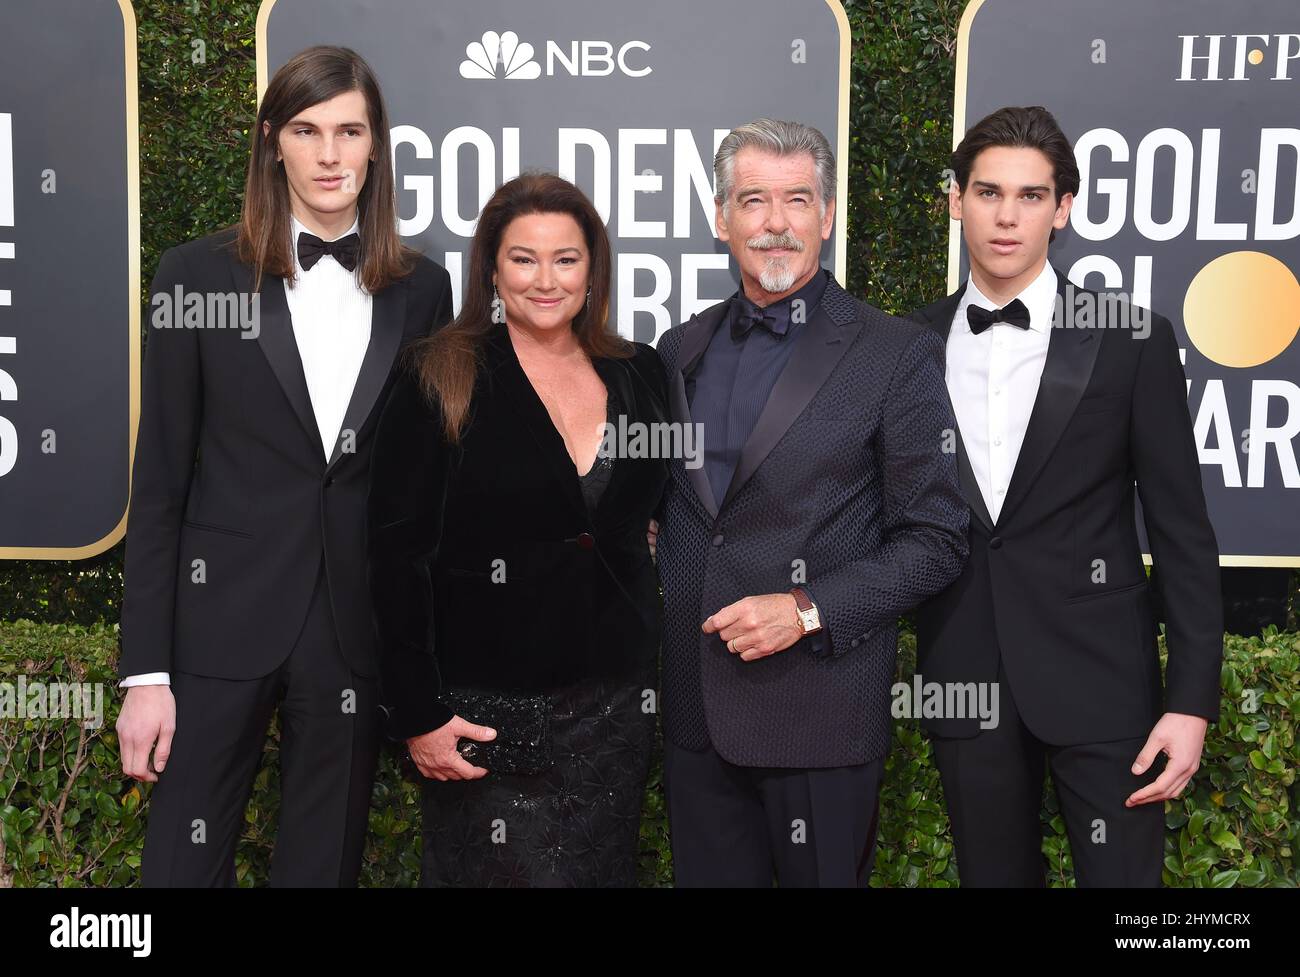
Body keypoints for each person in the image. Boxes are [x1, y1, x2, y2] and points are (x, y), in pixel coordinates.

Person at [115, 45, 453, 886]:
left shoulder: (425, 289)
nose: (331, 154)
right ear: (273, 142)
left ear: (376, 146)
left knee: (321, 866)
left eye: (350, 131)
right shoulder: (193, 274)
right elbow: (159, 485)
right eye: (308, 130)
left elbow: (427, 492)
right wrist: (145, 672)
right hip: (218, 619)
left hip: (351, 628)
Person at [910, 105, 1223, 887]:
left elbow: (1184, 533)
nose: (1007, 216)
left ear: (1064, 208)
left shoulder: (1131, 339)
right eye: (987, 192)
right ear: (956, 201)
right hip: (966, 674)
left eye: (1030, 195)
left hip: (1103, 682)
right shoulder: (906, 346)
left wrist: (1191, 702)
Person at [654, 119, 969, 887]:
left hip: (819, 715)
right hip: (695, 716)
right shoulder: (676, 349)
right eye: (753, 200)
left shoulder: (895, 353)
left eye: (798, 199)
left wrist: (804, 608)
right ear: (721, 217)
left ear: (827, 216)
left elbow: (937, 535)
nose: (776, 223)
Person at [367, 172, 669, 887]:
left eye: (566, 258)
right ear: (493, 269)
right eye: (523, 258)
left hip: (612, 709)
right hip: (487, 714)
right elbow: (393, 554)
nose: (545, 279)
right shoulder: (440, 369)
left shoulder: (640, 373)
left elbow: (645, 513)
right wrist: (418, 712)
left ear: (592, 269)